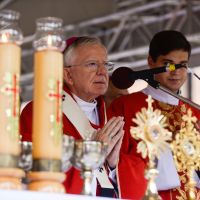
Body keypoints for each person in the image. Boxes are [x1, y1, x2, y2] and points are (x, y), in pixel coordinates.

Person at [20, 36, 124, 197]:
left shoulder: (111, 117)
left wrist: (111, 166)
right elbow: (36, 172)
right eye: (92, 64)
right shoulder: (42, 111)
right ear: (68, 75)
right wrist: (92, 156)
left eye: (106, 65)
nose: (103, 72)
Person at [108, 30, 200, 199]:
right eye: (169, 64)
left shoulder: (194, 112)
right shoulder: (125, 107)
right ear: (151, 61)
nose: (176, 72)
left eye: (183, 65)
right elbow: (113, 162)